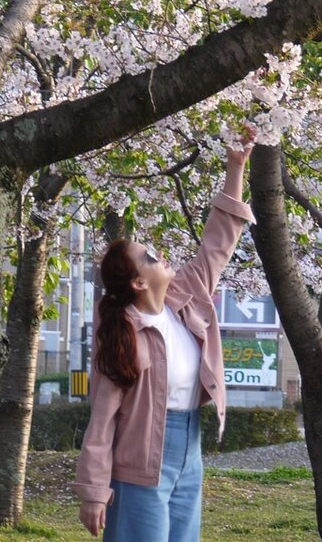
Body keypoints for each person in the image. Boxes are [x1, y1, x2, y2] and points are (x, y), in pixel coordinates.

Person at [72, 132, 257, 541]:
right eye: (149, 256)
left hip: (190, 449)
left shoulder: (183, 300)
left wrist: (235, 167)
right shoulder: (122, 334)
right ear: (138, 282)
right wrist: (94, 491)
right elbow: (102, 418)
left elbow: (218, 242)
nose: (161, 254)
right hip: (139, 462)